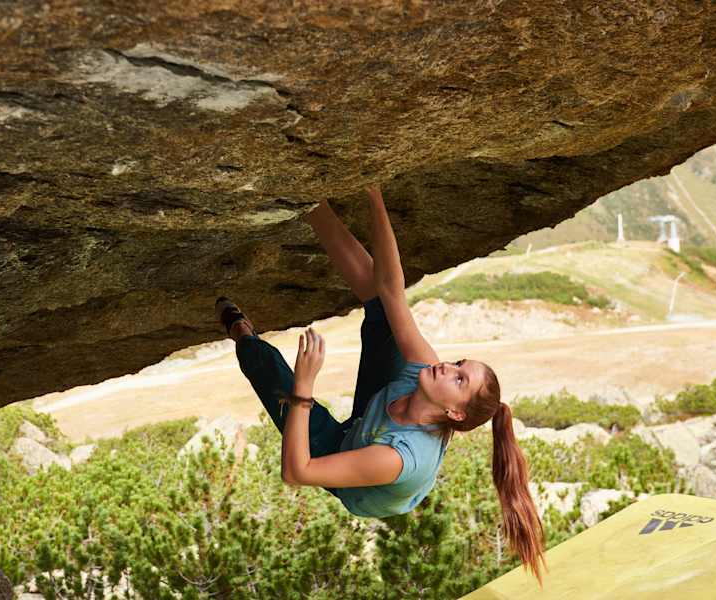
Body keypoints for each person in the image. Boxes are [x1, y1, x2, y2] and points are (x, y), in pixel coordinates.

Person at [216, 185, 546, 583]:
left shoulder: (399, 457)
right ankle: (315, 208)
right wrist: (374, 193)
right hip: (374, 419)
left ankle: (241, 333)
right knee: (384, 312)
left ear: (454, 412)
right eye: (459, 363)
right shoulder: (425, 372)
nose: (447, 366)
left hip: (348, 459)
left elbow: (297, 472)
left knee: (279, 383)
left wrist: (304, 388)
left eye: (459, 378)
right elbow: (391, 292)